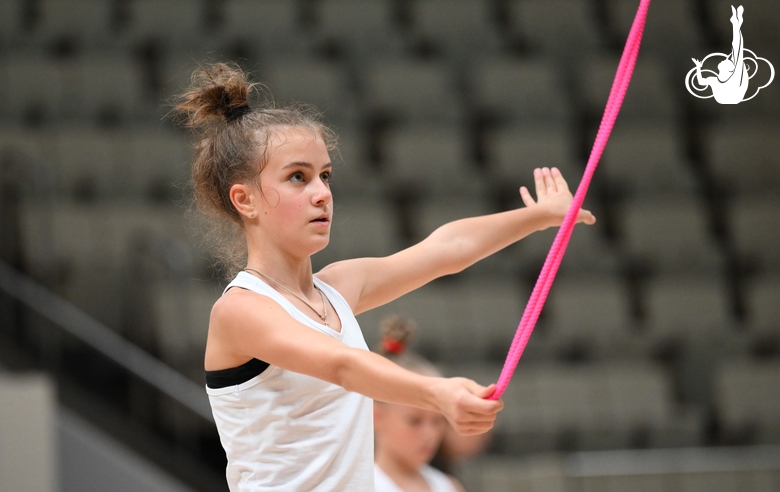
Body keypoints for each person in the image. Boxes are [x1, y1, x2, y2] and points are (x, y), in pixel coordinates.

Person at [173, 62, 595, 491]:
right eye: (297, 177)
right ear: (245, 200)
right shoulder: (239, 309)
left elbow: (445, 250)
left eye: (325, 175)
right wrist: (436, 394)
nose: (322, 193)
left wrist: (538, 216)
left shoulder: (337, 288)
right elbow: (341, 365)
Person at [373, 315, 465, 492]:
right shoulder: (361, 486)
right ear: (377, 416)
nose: (429, 434)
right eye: (415, 420)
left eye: (438, 421)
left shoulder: (450, 486)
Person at [692, 5, 748, 104]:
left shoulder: (732, 79)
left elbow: (737, 49)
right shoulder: (715, 80)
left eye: (727, 61)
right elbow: (700, 82)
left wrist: (736, 26)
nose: (725, 60)